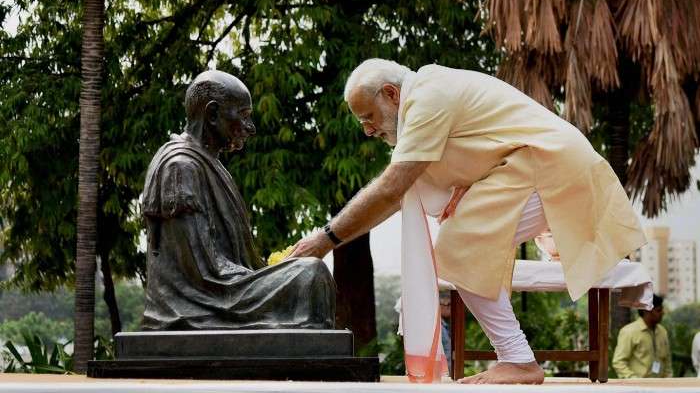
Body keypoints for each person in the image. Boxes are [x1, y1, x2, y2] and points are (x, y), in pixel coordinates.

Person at [288, 59, 646, 384]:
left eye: (368, 117)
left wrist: (326, 239)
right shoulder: (425, 95)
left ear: (391, 94)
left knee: (457, 245)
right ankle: (517, 358)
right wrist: (472, 183)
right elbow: (483, 143)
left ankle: (519, 359)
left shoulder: (427, 96)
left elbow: (393, 189)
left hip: (551, 164)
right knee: (457, 243)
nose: (367, 130)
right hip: (535, 165)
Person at [141, 70, 335, 330]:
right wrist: (268, 276)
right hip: (205, 299)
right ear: (211, 115)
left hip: (226, 288)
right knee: (310, 274)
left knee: (306, 272)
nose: (250, 128)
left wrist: (271, 270)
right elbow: (201, 269)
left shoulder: (212, 165)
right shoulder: (180, 166)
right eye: (243, 116)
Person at [612, 295, 672, 378]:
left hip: (660, 387)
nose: (663, 313)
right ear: (646, 311)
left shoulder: (662, 331)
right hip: (637, 388)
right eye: (658, 310)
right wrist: (634, 381)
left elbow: (667, 362)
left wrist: (668, 382)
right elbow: (618, 362)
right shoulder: (629, 331)